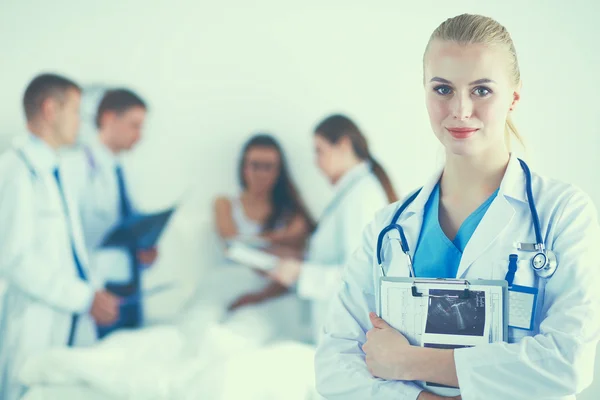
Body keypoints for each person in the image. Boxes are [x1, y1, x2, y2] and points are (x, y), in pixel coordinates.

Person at [314, 14, 600, 400]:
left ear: (514, 97)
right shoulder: (390, 227)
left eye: (482, 90)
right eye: (443, 89)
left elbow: (568, 363)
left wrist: (409, 361)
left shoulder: (562, 214)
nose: (460, 110)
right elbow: (334, 364)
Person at [0, 73, 120, 400]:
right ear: (51, 109)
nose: (80, 122)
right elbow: (15, 260)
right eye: (76, 112)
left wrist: (91, 293)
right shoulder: (15, 170)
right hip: (34, 323)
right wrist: (83, 297)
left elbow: (66, 249)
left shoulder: (56, 168)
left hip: (68, 315)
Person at [265, 114, 399, 343]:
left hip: (348, 333)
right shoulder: (352, 193)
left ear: (344, 146)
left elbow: (358, 277)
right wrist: (298, 260)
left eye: (319, 151)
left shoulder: (362, 197)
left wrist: (299, 273)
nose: (316, 161)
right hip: (335, 328)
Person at [63, 88, 157, 338]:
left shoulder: (126, 168)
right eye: (134, 126)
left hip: (131, 284)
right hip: (97, 287)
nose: (139, 135)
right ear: (108, 119)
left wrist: (145, 247)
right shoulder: (75, 167)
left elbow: (130, 221)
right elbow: (69, 236)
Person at [205, 134, 315, 343]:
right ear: (243, 168)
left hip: (272, 292)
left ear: (279, 171)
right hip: (231, 284)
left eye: (268, 167)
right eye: (255, 165)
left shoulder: (292, 214)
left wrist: (258, 297)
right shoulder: (224, 203)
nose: (261, 174)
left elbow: (293, 266)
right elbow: (230, 241)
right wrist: (275, 244)